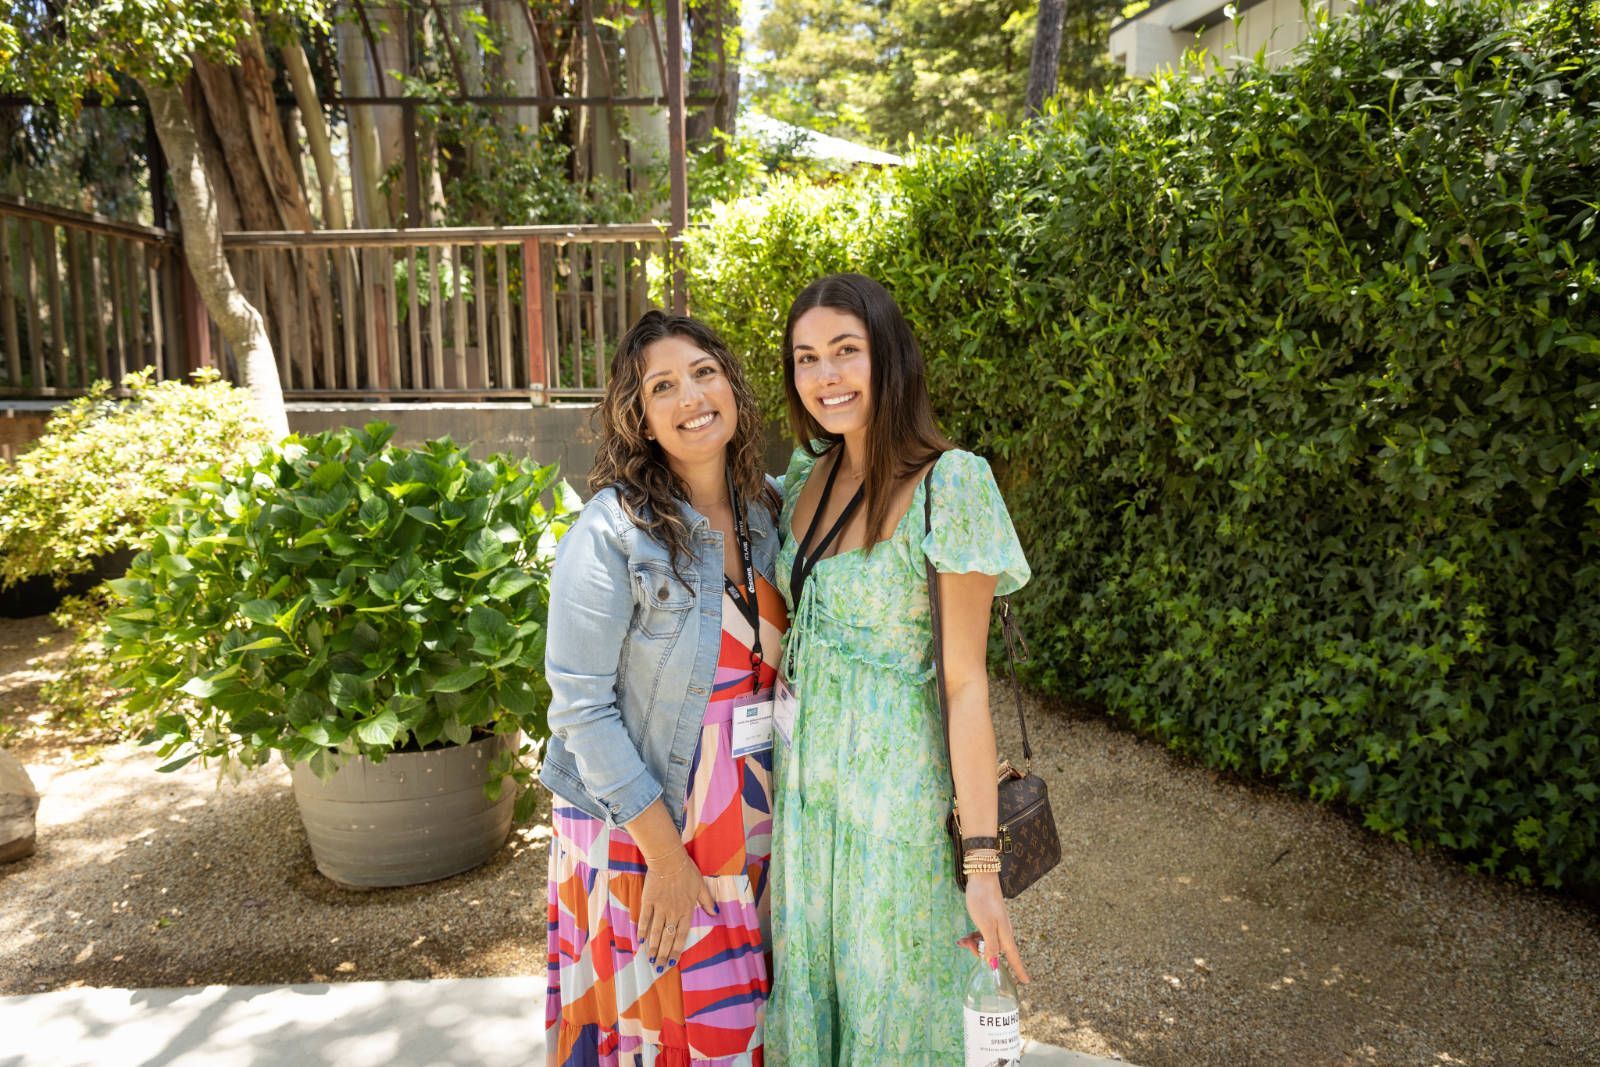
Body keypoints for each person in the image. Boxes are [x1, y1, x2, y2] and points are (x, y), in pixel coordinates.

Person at [765, 273, 1032, 1064]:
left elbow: (965, 683)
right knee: (821, 1001)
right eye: (806, 358)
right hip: (809, 805)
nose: (826, 376)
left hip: (898, 819)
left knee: (896, 1013)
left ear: (891, 357)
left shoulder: (953, 483)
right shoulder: (808, 475)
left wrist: (981, 865)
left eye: (846, 351)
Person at [541, 310, 788, 1066]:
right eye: (664, 386)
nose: (692, 397)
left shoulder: (769, 511)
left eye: (704, 373)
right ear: (640, 417)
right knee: (670, 1034)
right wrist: (668, 857)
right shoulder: (611, 530)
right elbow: (581, 707)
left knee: (740, 1031)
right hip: (648, 824)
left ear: (733, 387)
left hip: (749, 816)